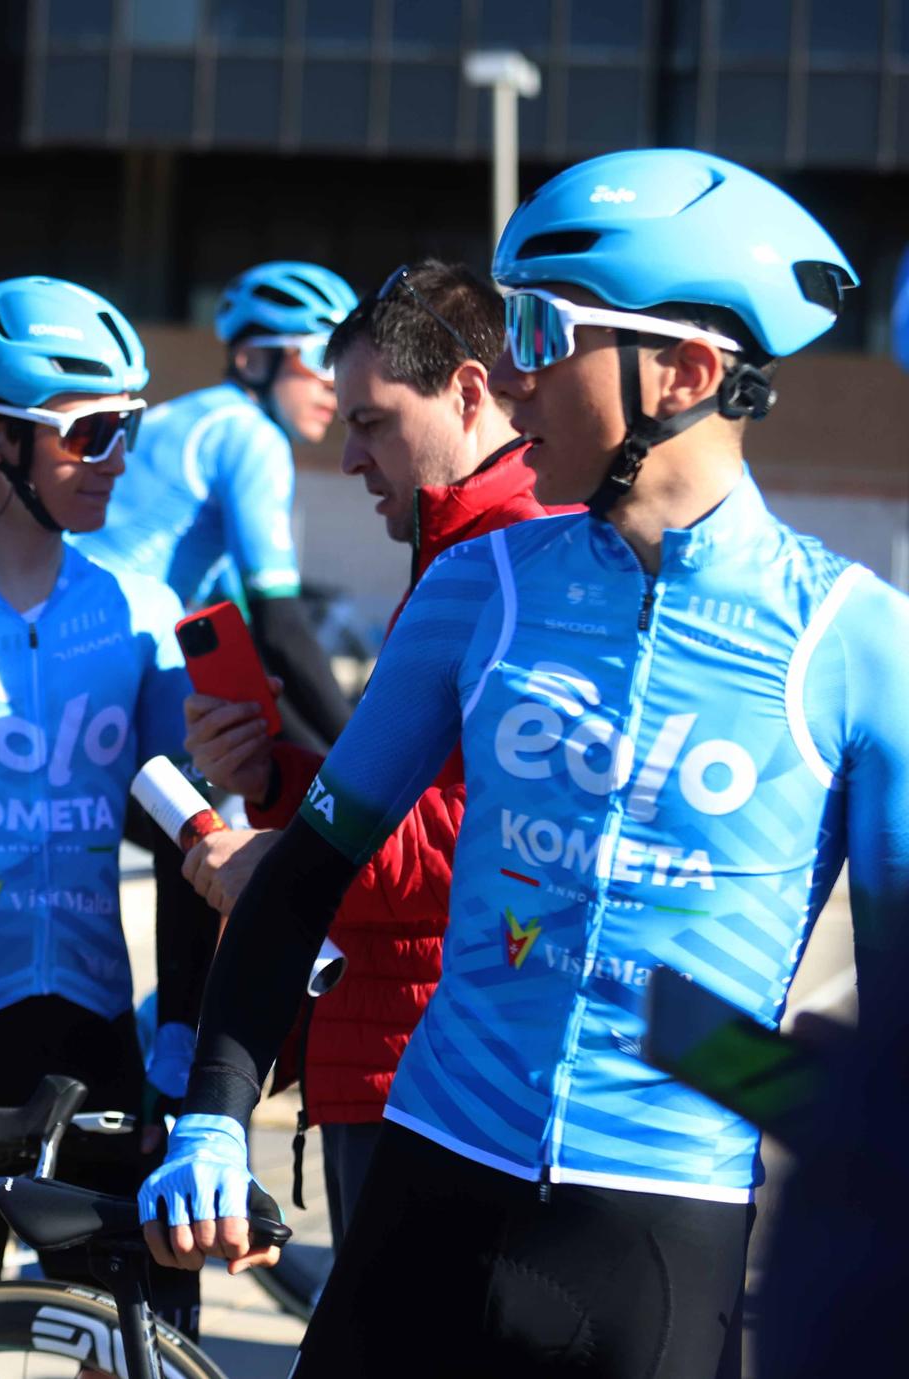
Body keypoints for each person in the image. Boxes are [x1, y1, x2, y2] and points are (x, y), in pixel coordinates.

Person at [140, 148, 909, 1378]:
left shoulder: (855, 642)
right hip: (427, 1186)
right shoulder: (475, 587)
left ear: (689, 371)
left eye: (542, 332)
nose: (508, 376)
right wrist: (213, 1122)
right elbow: (302, 880)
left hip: (654, 1238)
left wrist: (703, 1058)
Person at [179, 260, 561, 1249]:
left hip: (429, 1065)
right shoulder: (457, 554)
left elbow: (499, 842)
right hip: (389, 1046)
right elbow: (407, 804)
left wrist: (281, 863)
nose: (349, 457)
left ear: (469, 392)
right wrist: (273, 778)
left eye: (371, 422)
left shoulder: (520, 555)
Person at [0, 276, 203, 1340]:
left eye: (128, 430)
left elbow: (185, 840)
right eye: (91, 434)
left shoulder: (136, 610)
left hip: (90, 1024)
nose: (116, 460)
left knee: (135, 1327)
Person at [75, 260, 360, 750]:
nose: (334, 384)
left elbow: (242, 629)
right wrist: (359, 756)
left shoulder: (195, 414)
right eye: (320, 358)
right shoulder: (251, 435)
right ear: (252, 359)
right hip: (106, 650)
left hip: (74, 633)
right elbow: (281, 625)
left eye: (343, 363)